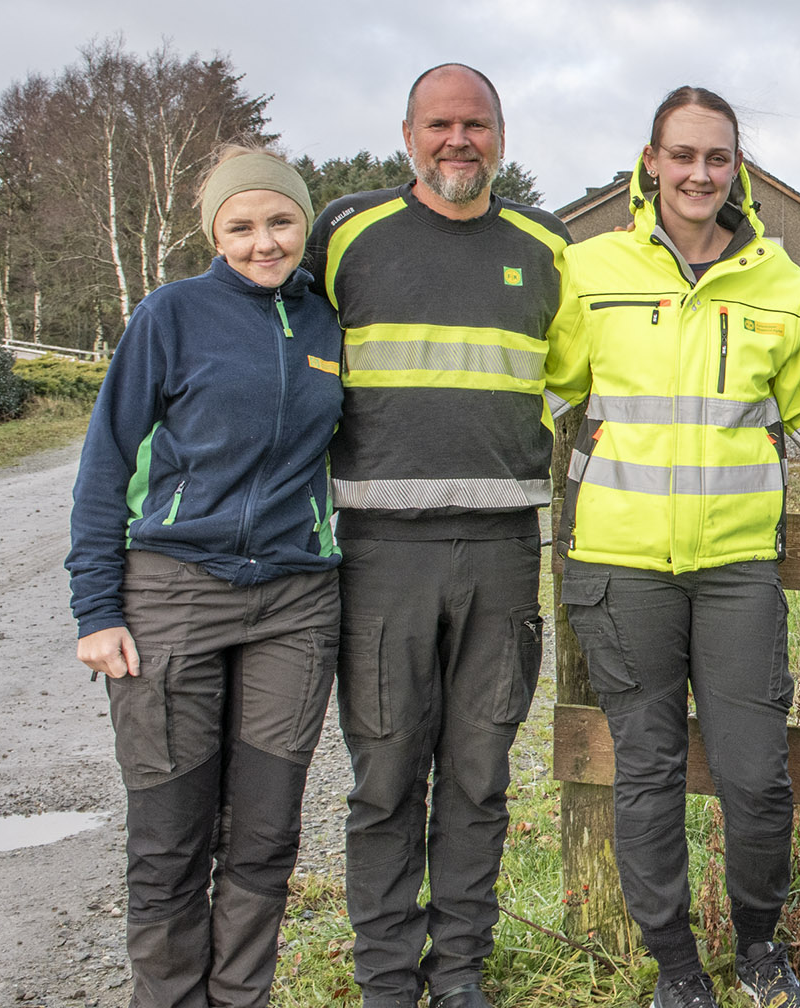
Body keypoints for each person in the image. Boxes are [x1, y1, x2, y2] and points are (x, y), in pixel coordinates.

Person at [545, 85, 800, 1008]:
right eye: (681, 155)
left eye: (717, 158)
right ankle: (676, 972)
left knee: (757, 776)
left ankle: (759, 953)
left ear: (738, 170)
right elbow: (548, 392)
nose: (698, 173)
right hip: (619, 567)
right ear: (650, 161)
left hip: (734, 571)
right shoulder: (590, 269)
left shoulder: (781, 282)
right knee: (646, 772)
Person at [301, 64, 570, 1008]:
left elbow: (587, 379)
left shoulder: (548, 246)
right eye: (441, 124)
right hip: (381, 553)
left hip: (502, 550)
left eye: (478, 124)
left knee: (479, 775)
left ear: (503, 133)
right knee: (384, 776)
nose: (460, 141)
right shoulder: (346, 233)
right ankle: (384, 979)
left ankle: (458, 974)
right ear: (407, 133)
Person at [67, 146, 343, 1008]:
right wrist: (96, 607)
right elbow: (105, 465)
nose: (265, 242)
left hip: (296, 605)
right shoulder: (170, 315)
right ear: (215, 233)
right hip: (173, 592)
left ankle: (241, 999)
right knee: (169, 839)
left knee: (264, 838)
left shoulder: (332, 323)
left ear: (306, 223)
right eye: (242, 226)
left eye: (281, 221)